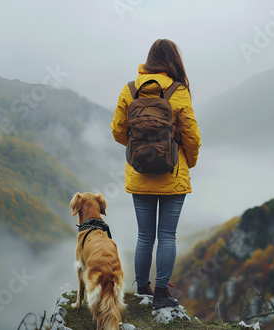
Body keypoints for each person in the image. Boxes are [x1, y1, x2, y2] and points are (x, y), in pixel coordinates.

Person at [110, 39, 201, 309]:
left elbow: (117, 131)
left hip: (140, 174)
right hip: (172, 175)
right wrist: (188, 161)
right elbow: (192, 137)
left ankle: (141, 289)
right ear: (173, 61)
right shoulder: (179, 91)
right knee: (167, 236)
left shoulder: (130, 90)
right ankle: (161, 294)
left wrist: (140, 148)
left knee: (144, 236)